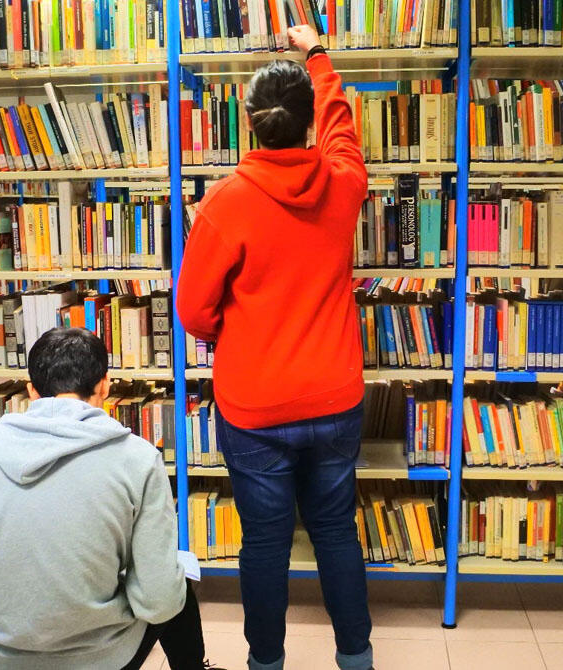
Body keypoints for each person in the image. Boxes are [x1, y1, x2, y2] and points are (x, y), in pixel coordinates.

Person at [176, 25, 373, 670]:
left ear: (252, 123)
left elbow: (192, 311)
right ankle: (356, 657)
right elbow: (342, 128)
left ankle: (266, 664)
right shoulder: (343, 181)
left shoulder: (225, 203)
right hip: (335, 397)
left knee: (264, 543)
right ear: (309, 123)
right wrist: (315, 52)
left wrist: (229, 334)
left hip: (256, 408)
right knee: (336, 532)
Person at [0, 327, 222, 670]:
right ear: (105, 385)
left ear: (31, 391)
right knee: (177, 577)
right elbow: (158, 600)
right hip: (96, 658)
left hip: (1, 655)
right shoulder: (137, 458)